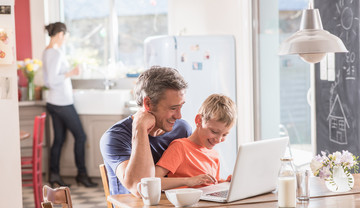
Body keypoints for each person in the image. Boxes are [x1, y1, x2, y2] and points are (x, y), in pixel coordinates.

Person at [100, 66, 192, 197]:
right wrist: (140, 128)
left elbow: (192, 174)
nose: (179, 116)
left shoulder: (182, 129)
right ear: (148, 103)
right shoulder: (115, 137)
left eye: (181, 106)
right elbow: (140, 188)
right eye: (173, 108)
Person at [42, 22, 97, 188]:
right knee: (80, 136)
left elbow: (52, 79)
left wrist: (68, 86)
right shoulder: (56, 53)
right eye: (65, 36)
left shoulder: (47, 51)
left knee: (59, 139)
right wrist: (71, 73)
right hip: (62, 103)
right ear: (60, 34)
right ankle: (81, 175)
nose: (65, 39)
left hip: (55, 101)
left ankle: (54, 175)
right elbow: (52, 80)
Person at [155, 94, 236, 190]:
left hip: (207, 203)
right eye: (214, 132)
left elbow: (210, 184)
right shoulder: (180, 147)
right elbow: (153, 181)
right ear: (199, 121)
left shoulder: (214, 155)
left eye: (224, 135)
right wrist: (189, 181)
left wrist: (224, 183)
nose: (218, 140)